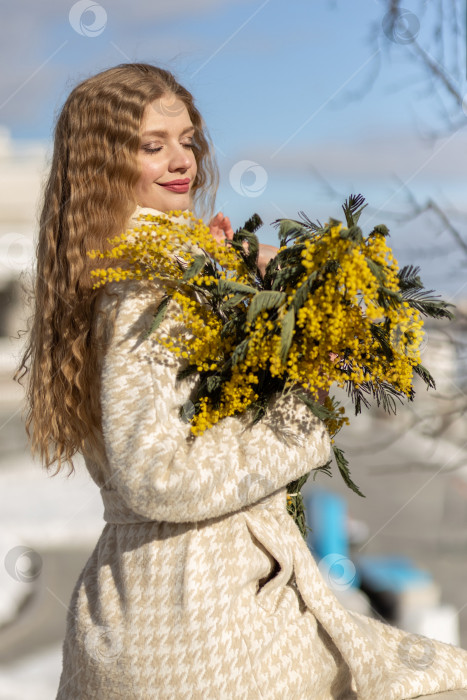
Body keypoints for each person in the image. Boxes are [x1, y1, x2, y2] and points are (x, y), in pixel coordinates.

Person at [17, 63, 467, 699]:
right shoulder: (148, 288)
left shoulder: (135, 269)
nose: (182, 161)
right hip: (202, 624)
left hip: (157, 609)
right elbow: (158, 476)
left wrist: (243, 291)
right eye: (153, 146)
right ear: (103, 165)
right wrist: (304, 410)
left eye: (187, 140)